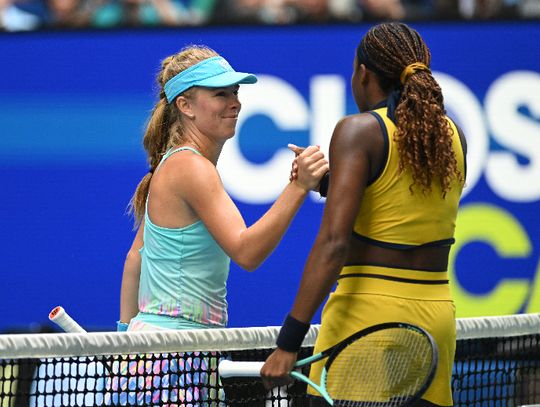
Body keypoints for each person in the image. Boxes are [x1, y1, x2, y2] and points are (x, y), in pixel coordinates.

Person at [261, 22, 467, 407]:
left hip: (367, 319)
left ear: (362, 73)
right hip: (436, 320)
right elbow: (399, 201)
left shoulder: (358, 131)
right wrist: (329, 184)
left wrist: (288, 343)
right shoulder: (453, 135)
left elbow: (334, 243)